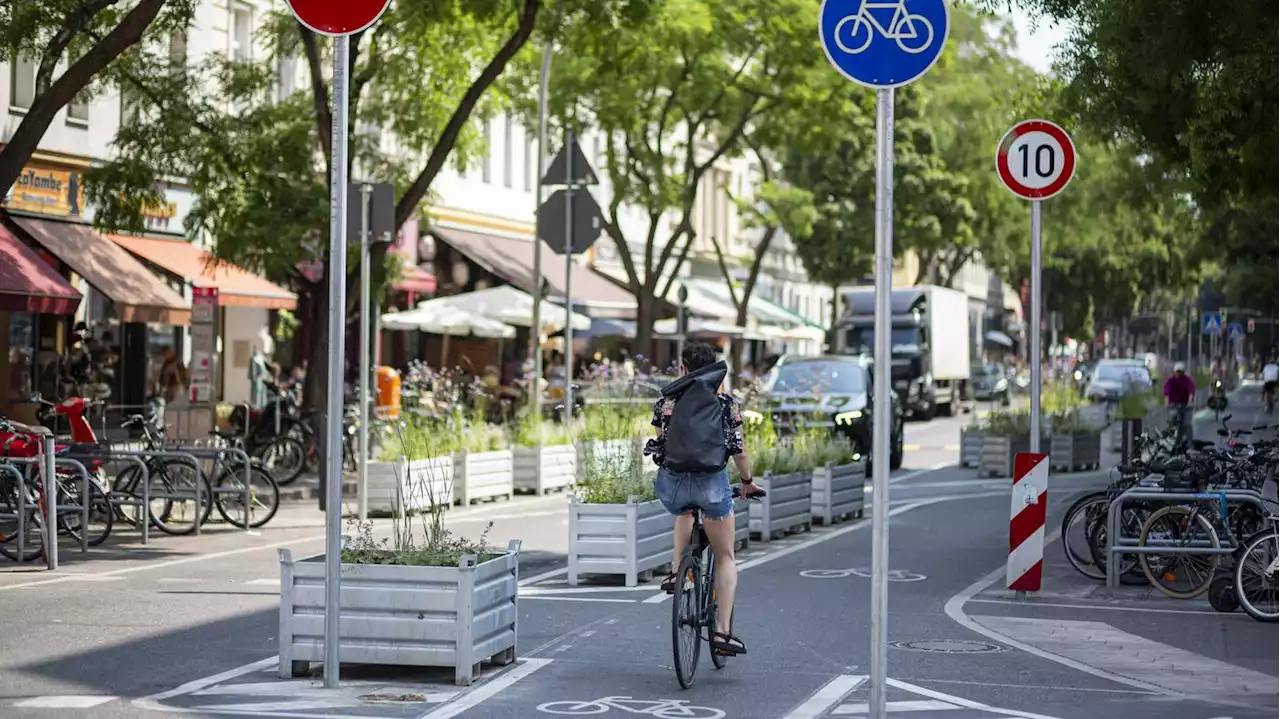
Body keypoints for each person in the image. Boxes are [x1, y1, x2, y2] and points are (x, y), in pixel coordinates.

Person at [645, 342, 762, 657]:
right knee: (725, 557)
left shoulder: (667, 400)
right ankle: (723, 632)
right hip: (711, 485)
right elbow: (738, 449)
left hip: (672, 486)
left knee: (684, 512)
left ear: (683, 368)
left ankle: (675, 569)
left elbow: (659, 438)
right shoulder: (725, 403)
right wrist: (748, 482)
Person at [1164, 362, 1196, 442]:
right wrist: (1167, 403)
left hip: (1185, 405)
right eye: (1177, 372)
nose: (1178, 374)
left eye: (1180, 372)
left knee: (1187, 424)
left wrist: (1190, 401)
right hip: (1174, 405)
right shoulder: (1170, 381)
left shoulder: (1187, 380)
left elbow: (1191, 392)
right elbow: (1166, 393)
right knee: (1172, 419)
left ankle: (1189, 443)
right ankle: (1170, 439)